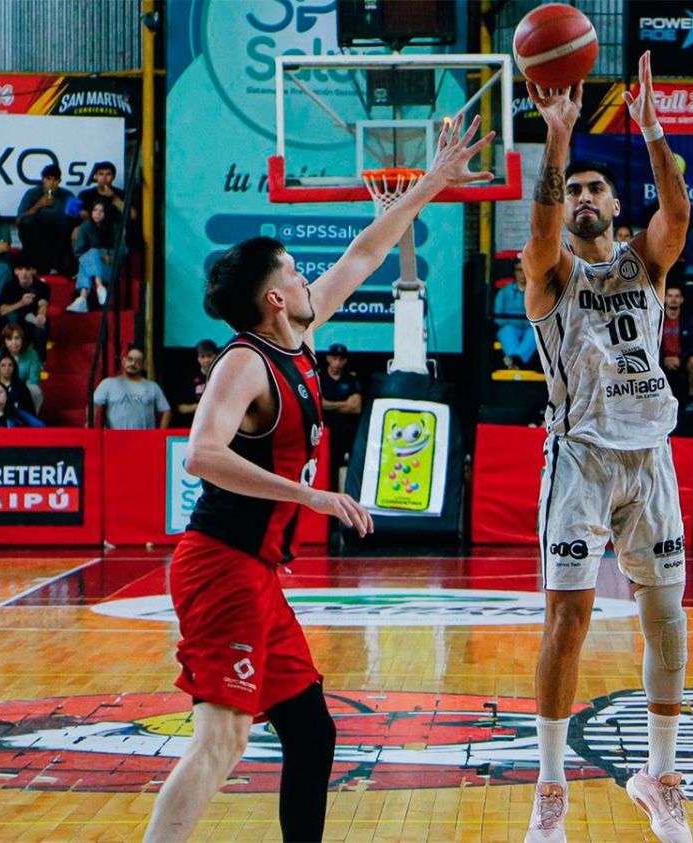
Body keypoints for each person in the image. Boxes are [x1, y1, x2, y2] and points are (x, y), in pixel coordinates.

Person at [142, 114, 491, 843]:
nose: (308, 277)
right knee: (222, 739)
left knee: (310, 728)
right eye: (296, 272)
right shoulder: (244, 362)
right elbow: (200, 454)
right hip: (221, 566)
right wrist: (310, 494)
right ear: (274, 297)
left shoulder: (298, 336)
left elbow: (365, 252)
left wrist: (432, 181)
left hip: (257, 572)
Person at [519, 60, 693, 843]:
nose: (585, 197)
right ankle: (550, 790)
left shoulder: (644, 264)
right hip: (581, 460)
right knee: (569, 619)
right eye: (575, 190)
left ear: (618, 205)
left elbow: (678, 212)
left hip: (650, 455)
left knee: (667, 617)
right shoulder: (550, 273)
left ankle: (660, 777)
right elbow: (540, 230)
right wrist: (557, 138)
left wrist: (653, 129)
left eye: (597, 189)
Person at [94, 345, 172, 430]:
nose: (133, 363)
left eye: (138, 361)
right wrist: (90, 423)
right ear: (123, 361)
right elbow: (94, 404)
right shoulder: (108, 383)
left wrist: (160, 435)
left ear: (144, 365)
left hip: (144, 437)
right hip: (115, 436)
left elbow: (166, 411)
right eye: (130, 359)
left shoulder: (153, 387)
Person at [16, 163, 76, 272]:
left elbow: (75, 216)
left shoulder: (67, 195)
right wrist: (38, 205)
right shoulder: (32, 194)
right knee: (28, 221)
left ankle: (56, 267)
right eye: (48, 179)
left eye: (55, 180)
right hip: (37, 232)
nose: (51, 183)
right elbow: (19, 219)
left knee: (67, 223)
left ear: (59, 181)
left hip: (58, 234)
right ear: (43, 179)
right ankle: (31, 265)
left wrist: (78, 213)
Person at [659, 286, 693, 411]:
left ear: (682, 300)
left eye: (677, 296)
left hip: (683, 359)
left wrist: (680, 358)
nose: (673, 299)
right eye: (670, 296)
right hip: (660, 359)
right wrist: (664, 358)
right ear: (664, 299)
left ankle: (692, 398)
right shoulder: (656, 320)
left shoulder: (690, 320)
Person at [319, 343, 363, 469]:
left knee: (344, 465)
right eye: (334, 358)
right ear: (328, 358)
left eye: (341, 359)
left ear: (345, 361)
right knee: (324, 466)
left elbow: (356, 407)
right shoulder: (320, 377)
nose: (337, 362)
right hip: (325, 431)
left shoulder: (350, 378)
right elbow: (320, 404)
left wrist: (329, 405)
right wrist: (345, 404)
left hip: (345, 431)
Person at [69, 198, 118, 312]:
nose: (97, 213)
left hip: (108, 267)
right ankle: (99, 286)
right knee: (92, 253)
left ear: (107, 213)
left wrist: (109, 258)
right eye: (95, 210)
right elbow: (78, 252)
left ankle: (83, 298)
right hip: (90, 265)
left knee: (87, 262)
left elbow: (122, 251)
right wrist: (95, 257)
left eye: (101, 211)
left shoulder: (115, 228)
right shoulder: (85, 227)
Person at [0, 255, 51, 352]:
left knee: (42, 324)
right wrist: (21, 303)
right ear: (15, 271)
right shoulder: (9, 287)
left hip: (33, 321)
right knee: (11, 315)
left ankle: (39, 358)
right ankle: (12, 353)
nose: (24, 273)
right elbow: (2, 311)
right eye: (20, 269)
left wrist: (41, 314)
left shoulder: (42, 286)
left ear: (33, 271)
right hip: (16, 322)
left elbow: (43, 303)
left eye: (27, 269)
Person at [0, 323, 44, 414]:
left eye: (17, 338)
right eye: (9, 339)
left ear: (22, 339)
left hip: (26, 388)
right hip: (4, 387)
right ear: (4, 341)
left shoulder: (32, 354)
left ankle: (30, 418)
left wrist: (20, 389)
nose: (14, 342)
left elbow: (34, 379)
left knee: (35, 390)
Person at [494, 260, 536, 368]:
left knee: (535, 333)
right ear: (514, 272)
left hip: (530, 327)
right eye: (519, 270)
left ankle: (513, 361)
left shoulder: (536, 292)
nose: (522, 273)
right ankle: (517, 361)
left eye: (525, 270)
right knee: (507, 331)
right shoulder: (504, 291)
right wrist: (512, 322)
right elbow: (497, 316)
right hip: (509, 326)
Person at [0, 353, 38, 419]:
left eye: (10, 365)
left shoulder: (21, 387)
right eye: (3, 365)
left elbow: (29, 411)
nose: (7, 368)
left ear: (14, 368)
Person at [176, 339, 221, 424]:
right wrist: (200, 406)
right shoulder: (190, 380)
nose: (206, 360)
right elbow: (181, 408)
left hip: (219, 423)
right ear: (198, 359)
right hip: (197, 425)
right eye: (202, 357)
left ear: (215, 356)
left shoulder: (223, 377)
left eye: (209, 356)